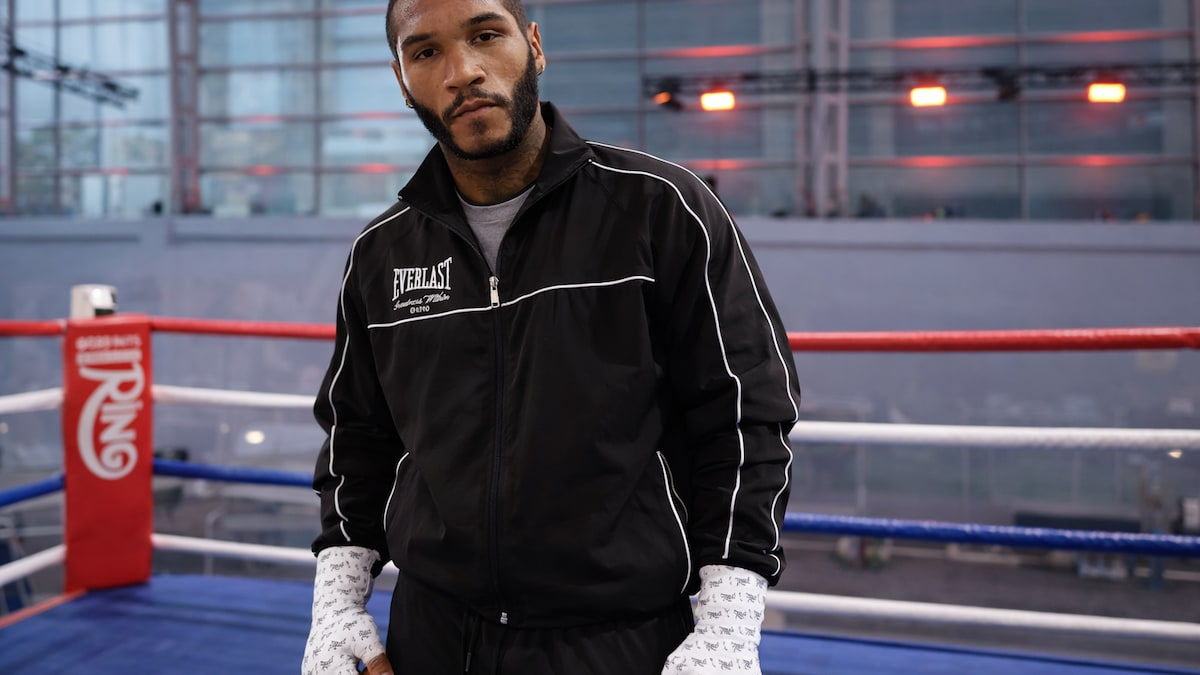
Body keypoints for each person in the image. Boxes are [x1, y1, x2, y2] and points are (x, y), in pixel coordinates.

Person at [302, 1, 801, 673]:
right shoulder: (381, 253)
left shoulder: (662, 210)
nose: (463, 71)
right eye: (425, 53)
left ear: (533, 45)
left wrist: (729, 621)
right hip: (433, 632)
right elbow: (356, 439)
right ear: (401, 80)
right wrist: (337, 605)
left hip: (619, 636)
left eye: (486, 35)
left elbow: (744, 418)